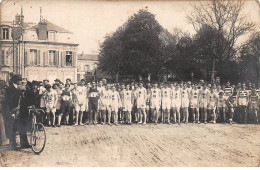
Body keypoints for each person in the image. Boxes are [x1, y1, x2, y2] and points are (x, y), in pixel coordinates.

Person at [5, 74, 29, 150]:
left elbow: (22, 100)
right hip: (13, 111)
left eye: (21, 79)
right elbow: (8, 102)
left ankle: (24, 144)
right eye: (19, 80)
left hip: (20, 111)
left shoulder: (19, 88)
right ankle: (13, 145)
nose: (21, 81)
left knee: (23, 127)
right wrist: (12, 112)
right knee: (13, 128)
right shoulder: (10, 89)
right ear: (15, 80)